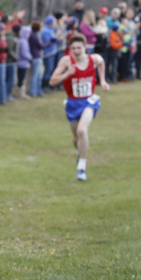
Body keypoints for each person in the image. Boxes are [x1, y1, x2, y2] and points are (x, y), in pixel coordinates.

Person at [48, 33, 110, 180]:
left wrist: (103, 80)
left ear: (85, 47)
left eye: (79, 48)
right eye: (73, 48)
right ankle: (81, 154)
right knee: (76, 138)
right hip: (72, 102)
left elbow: (101, 62)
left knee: (82, 131)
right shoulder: (66, 61)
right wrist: (66, 74)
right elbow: (52, 81)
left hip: (89, 101)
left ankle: (81, 168)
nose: (76, 51)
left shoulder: (92, 59)